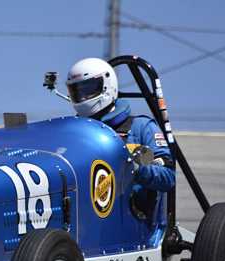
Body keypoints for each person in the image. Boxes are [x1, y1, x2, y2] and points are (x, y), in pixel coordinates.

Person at [65, 58, 175, 194]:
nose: (82, 97)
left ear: (107, 85)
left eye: (88, 89)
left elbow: (168, 176)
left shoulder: (141, 127)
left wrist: (135, 166)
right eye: (77, 91)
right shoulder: (73, 133)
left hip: (131, 209)